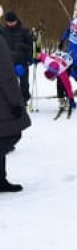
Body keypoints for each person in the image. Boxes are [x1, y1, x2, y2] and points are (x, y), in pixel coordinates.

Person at [0, 29, 31, 191]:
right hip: (4, 100)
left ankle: (0, 180)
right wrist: (16, 103)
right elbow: (6, 76)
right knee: (11, 134)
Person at [0, 10, 34, 103]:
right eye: (8, 22)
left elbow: (30, 47)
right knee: (9, 82)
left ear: (16, 20)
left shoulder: (24, 31)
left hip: (21, 60)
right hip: (8, 61)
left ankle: (24, 99)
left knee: (24, 82)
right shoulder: (2, 32)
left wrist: (29, 57)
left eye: (12, 22)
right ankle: (11, 100)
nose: (11, 24)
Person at [38, 49, 77, 115]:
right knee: (60, 82)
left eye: (53, 78)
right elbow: (40, 55)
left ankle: (68, 100)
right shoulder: (46, 61)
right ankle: (61, 99)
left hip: (68, 61)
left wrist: (71, 99)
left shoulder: (62, 71)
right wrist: (36, 59)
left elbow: (68, 86)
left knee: (62, 83)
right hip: (57, 57)